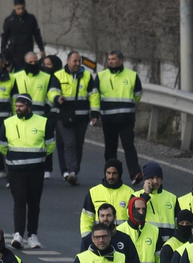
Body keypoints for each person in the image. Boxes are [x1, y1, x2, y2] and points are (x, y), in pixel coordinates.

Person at [0, 94, 53, 249]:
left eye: (21, 106)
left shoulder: (43, 122)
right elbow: (2, 146)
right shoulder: (8, 123)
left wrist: (38, 158)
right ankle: (18, 234)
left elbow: (50, 145)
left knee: (34, 203)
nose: (18, 109)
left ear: (29, 106)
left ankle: (32, 235)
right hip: (16, 171)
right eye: (16, 106)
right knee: (19, 201)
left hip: (36, 171)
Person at [90, 50, 142, 179]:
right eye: (109, 59)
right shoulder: (101, 76)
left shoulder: (132, 76)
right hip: (109, 118)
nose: (111, 62)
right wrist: (95, 114)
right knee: (110, 149)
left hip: (126, 119)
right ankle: (111, 175)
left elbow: (138, 95)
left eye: (113, 59)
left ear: (121, 60)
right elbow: (95, 96)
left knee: (129, 146)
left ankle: (135, 173)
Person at [52, 51, 94, 184]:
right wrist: (56, 98)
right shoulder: (58, 76)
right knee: (69, 143)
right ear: (68, 61)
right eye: (75, 61)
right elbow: (51, 91)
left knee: (78, 144)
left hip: (82, 116)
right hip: (64, 115)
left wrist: (95, 113)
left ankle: (74, 170)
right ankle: (71, 171)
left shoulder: (87, 76)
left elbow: (93, 95)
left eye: (79, 61)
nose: (77, 64)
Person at [79, 159, 135, 245]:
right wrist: (87, 239)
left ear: (119, 174)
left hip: (122, 240)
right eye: (108, 173)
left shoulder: (129, 192)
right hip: (100, 240)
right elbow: (86, 218)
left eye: (114, 173)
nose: (111, 176)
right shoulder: (94, 192)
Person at [0, 0, 42, 69]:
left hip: (27, 48)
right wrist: (3, 51)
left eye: (22, 8)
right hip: (14, 50)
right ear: (14, 7)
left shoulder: (31, 18)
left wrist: (41, 49)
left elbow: (37, 34)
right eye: (18, 9)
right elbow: (5, 36)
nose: (21, 11)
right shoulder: (9, 20)